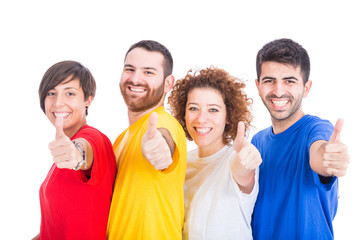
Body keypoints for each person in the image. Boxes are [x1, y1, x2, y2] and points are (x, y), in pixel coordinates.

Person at [251, 38, 350, 239]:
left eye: (290, 81)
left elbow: (320, 154)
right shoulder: (256, 142)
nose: (278, 91)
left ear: (306, 87)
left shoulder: (316, 129)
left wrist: (329, 161)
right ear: (258, 85)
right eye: (269, 80)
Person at [168, 66, 262, 240]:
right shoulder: (183, 162)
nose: (201, 118)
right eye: (193, 108)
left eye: (213, 110)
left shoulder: (234, 159)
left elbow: (242, 173)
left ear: (228, 117)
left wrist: (247, 162)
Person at [106, 40, 187, 240]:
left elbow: (164, 143)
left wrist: (160, 150)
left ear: (168, 83)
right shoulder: (121, 139)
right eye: (130, 69)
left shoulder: (164, 124)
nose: (135, 79)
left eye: (148, 72)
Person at [33, 60, 117, 240]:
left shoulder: (95, 139)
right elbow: (57, 224)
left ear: (88, 100)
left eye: (70, 93)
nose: (58, 103)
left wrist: (76, 155)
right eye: (51, 93)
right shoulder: (58, 160)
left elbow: (83, 152)